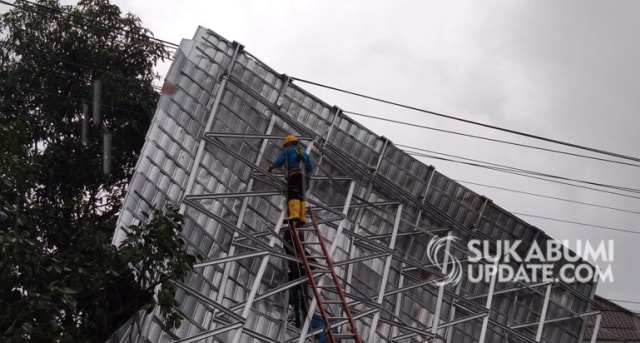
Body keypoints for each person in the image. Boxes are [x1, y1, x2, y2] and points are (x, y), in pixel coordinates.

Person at [267, 134, 314, 227]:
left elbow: (280, 161)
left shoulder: (288, 150)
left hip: (294, 174)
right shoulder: (304, 153)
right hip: (304, 178)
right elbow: (310, 168)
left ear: (288, 144)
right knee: (301, 196)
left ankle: (294, 214)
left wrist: (271, 167)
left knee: (293, 193)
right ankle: (302, 217)